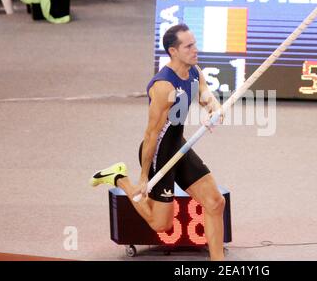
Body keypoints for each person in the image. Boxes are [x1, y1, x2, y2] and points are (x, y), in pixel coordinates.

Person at [90, 23, 226, 261]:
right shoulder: (163, 87)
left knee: (215, 203)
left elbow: (205, 95)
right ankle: (120, 179)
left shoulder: (194, 71)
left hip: (179, 147)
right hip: (159, 154)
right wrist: (143, 177)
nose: (195, 50)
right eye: (189, 46)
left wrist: (214, 110)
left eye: (195, 44)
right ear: (173, 51)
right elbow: (151, 135)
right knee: (161, 224)